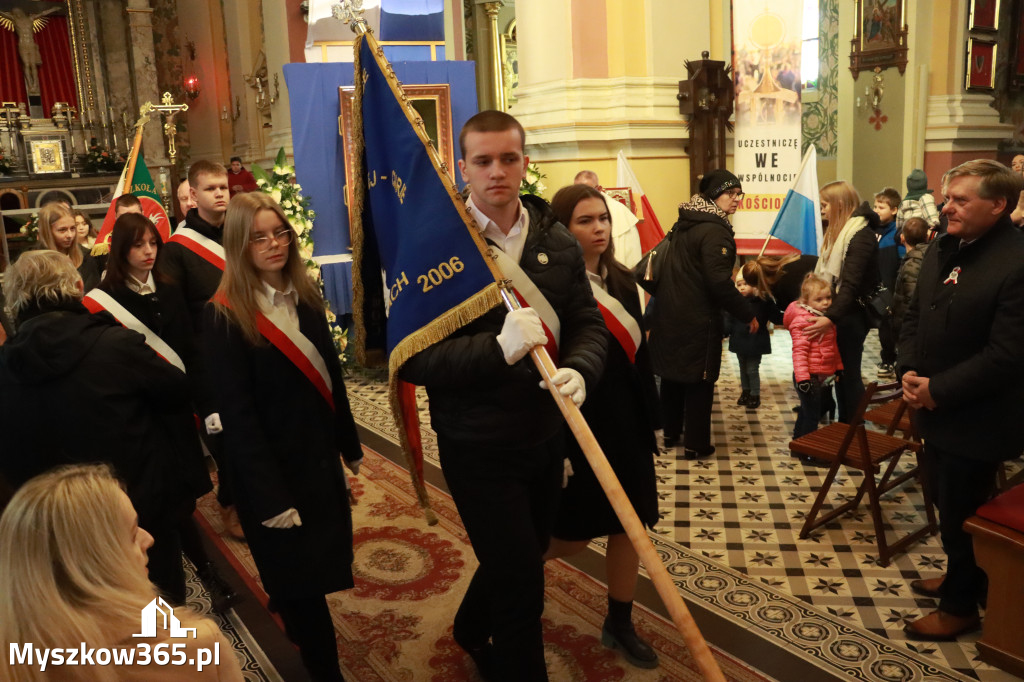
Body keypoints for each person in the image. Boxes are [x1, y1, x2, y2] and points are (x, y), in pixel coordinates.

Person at [400, 110, 607, 682]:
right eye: (483, 161)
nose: (497, 172)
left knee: (526, 550)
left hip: (544, 434)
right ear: (462, 167)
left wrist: (583, 370)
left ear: (524, 162)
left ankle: (469, 626)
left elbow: (587, 322)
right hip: (476, 442)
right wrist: (498, 348)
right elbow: (415, 359)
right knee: (521, 582)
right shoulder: (435, 249)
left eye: (509, 159)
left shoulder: (556, 240)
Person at [203, 192, 362, 681]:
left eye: (280, 233)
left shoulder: (305, 293)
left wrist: (348, 443)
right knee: (302, 584)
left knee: (314, 568)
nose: (274, 245)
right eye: (259, 238)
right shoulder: (225, 315)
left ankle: (291, 603)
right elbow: (240, 419)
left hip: (314, 461)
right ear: (238, 245)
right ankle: (324, 671)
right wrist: (269, 498)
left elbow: (330, 375)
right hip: (269, 474)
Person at [0, 250, 197, 606]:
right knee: (157, 608)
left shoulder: (4, 367)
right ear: (78, 286)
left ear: (14, 301)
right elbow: (179, 391)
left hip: (52, 531)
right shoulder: (116, 346)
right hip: (134, 514)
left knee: (85, 617)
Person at [900, 159, 1024, 641]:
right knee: (943, 500)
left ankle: (961, 606)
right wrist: (908, 369)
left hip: (979, 417)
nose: (944, 206)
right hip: (931, 404)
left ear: (997, 205)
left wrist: (939, 389)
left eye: (959, 200)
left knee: (961, 510)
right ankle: (963, 577)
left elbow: (1008, 355)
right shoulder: (944, 247)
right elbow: (915, 314)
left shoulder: (1016, 262)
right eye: (946, 197)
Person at [93, 212, 238, 612]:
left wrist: (207, 403)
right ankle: (175, 588)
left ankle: (198, 579)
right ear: (121, 251)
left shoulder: (172, 288)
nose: (148, 252)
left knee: (183, 497)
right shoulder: (107, 300)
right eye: (138, 245)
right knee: (155, 504)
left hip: (175, 413)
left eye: (153, 243)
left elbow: (191, 351)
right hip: (138, 418)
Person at [547, 184, 660, 669]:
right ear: (560, 230)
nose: (599, 229)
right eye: (585, 221)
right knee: (572, 534)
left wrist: (652, 421)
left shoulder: (621, 279)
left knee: (631, 529)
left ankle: (619, 621)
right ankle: (508, 578)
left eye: (603, 219)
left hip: (627, 423)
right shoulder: (551, 288)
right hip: (581, 424)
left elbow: (640, 358)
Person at [0, 464, 245, 682]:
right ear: (94, 562)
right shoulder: (195, 646)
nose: (148, 539)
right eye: (130, 534)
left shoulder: (14, 656)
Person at [646, 169, 756, 459]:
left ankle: (670, 433)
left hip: (669, 311)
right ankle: (696, 444)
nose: (736, 200)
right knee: (699, 379)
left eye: (738, 194)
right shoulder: (715, 230)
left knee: (672, 374)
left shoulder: (685, 222)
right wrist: (748, 313)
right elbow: (718, 282)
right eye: (730, 193)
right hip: (697, 317)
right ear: (713, 195)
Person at [158, 160, 239, 537]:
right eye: (211, 188)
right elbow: (176, 321)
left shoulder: (240, 235)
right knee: (224, 440)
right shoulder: (176, 250)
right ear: (192, 195)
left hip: (248, 351)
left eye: (223, 186)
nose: (220, 193)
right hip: (207, 362)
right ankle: (231, 502)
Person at [803, 181, 879, 423]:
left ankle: (852, 430)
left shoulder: (861, 235)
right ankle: (844, 426)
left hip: (852, 316)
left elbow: (851, 285)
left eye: (825, 205)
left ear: (839, 205)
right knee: (839, 373)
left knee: (848, 374)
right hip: (840, 313)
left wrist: (829, 317)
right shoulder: (840, 232)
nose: (822, 210)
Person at [785, 273, 842, 442]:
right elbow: (799, 352)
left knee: (806, 411)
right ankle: (808, 450)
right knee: (812, 416)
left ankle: (798, 444)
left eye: (828, 298)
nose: (825, 302)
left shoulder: (824, 319)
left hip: (817, 375)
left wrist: (838, 368)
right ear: (805, 301)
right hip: (808, 377)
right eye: (819, 299)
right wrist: (803, 379)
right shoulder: (804, 321)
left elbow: (832, 346)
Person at [726, 260, 784, 410]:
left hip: (755, 342)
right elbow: (729, 318)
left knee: (752, 368)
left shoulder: (763, 301)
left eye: (745, 284)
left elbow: (776, 317)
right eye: (739, 285)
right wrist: (726, 330)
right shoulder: (736, 302)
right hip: (739, 340)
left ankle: (755, 393)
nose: (742, 287)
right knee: (742, 367)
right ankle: (745, 391)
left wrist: (789, 316)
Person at [574, 169, 642, 267]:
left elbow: (631, 256)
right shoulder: (573, 208)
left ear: (599, 189)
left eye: (587, 190)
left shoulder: (619, 211)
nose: (582, 195)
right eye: (578, 190)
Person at [871, 187, 904, 378]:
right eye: (875, 206)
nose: (876, 210)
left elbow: (900, 264)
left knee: (889, 326)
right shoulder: (871, 231)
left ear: (894, 210)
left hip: (890, 286)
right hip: (874, 285)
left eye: (881, 207)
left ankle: (889, 360)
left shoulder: (897, 235)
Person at [36, 202, 101, 291]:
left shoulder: (86, 256)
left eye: (72, 228)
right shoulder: (34, 262)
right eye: (62, 230)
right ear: (48, 231)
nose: (70, 235)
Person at [889, 216, 929, 343]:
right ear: (927, 237)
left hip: (909, 327)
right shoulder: (930, 256)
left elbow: (912, 300)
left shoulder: (912, 264)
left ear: (902, 238)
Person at [897, 169, 940, 234]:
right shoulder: (925, 197)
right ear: (925, 184)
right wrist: (935, 223)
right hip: (920, 232)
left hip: (907, 233)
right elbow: (931, 216)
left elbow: (899, 224)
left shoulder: (903, 202)